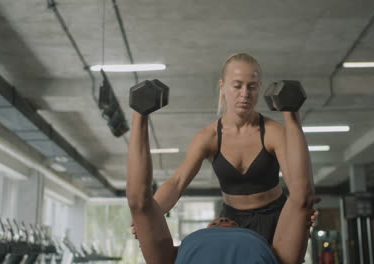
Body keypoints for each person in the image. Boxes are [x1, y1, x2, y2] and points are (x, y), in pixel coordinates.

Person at [132, 53, 315, 243]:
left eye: (252, 87)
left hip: (276, 217)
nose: (244, 94)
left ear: (259, 88)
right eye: (237, 86)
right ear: (222, 87)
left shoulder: (274, 133)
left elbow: (296, 185)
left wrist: (302, 211)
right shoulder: (208, 137)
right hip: (231, 220)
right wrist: (150, 215)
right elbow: (177, 182)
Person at [127, 109, 319, 264]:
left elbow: (140, 204)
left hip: (274, 211)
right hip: (253, 227)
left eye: (215, 222)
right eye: (237, 85)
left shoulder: (185, 250)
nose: (220, 221)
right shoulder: (267, 250)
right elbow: (175, 183)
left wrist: (146, 219)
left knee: (141, 207)